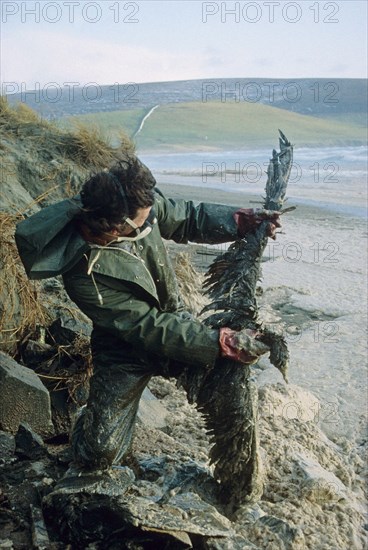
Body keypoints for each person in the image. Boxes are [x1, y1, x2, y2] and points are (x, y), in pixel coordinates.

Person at [16, 156, 281, 475]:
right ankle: (92, 422)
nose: (148, 223)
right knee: (100, 454)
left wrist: (238, 222)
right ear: (112, 229)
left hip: (176, 321)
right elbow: (145, 326)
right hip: (123, 351)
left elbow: (186, 217)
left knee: (229, 376)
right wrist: (217, 341)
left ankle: (238, 479)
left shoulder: (138, 206)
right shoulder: (81, 272)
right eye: (141, 223)